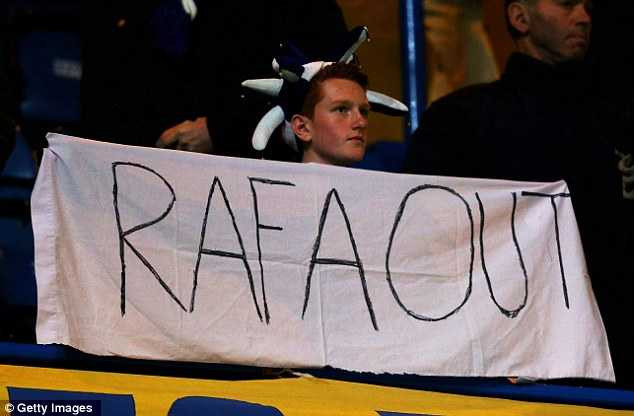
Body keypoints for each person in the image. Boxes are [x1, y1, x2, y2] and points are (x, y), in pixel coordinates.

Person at [403, 0, 632, 385]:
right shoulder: (460, 119)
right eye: (565, 4)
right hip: (508, 361)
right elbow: (426, 246)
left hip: (616, 356)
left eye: (587, 6)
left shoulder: (615, 122)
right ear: (520, 17)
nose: (583, 17)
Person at [80, 1, 349, 161]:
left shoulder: (304, 9)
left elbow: (323, 85)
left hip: (249, 172)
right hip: (142, 168)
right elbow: (107, 87)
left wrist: (221, 131)